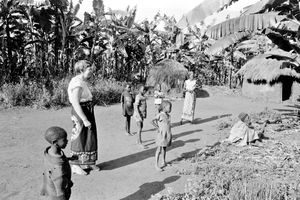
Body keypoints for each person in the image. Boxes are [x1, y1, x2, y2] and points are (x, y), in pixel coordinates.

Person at [67, 60, 100, 175]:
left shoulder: (82, 81)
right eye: (89, 69)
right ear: (81, 70)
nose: (91, 71)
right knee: (79, 137)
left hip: (87, 110)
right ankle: (75, 164)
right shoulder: (77, 82)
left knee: (89, 136)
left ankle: (88, 162)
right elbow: (76, 103)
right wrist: (85, 119)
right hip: (81, 112)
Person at [41, 126, 73, 200]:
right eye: (64, 140)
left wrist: (66, 159)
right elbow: (60, 192)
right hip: (56, 195)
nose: (67, 141)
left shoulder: (49, 152)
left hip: (49, 188)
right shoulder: (58, 168)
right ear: (55, 142)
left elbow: (55, 161)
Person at [151, 100, 172, 171]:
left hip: (166, 135)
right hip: (161, 135)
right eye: (170, 107)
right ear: (164, 107)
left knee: (164, 148)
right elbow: (152, 121)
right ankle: (156, 165)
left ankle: (163, 161)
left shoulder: (168, 116)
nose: (171, 109)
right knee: (159, 149)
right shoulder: (160, 115)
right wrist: (157, 127)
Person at [133, 84, 148, 149]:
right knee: (139, 128)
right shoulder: (138, 96)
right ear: (139, 90)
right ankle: (140, 143)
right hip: (138, 115)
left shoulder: (143, 96)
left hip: (142, 114)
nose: (144, 91)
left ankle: (138, 140)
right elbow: (136, 107)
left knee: (141, 127)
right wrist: (139, 116)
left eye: (145, 89)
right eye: (143, 89)